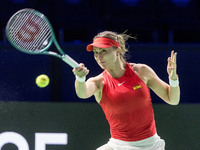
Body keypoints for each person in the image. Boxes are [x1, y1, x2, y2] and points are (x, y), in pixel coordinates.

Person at [72, 31, 180, 150]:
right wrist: (80, 78)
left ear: (118, 50)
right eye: (96, 53)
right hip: (116, 145)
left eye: (104, 51)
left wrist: (173, 79)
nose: (99, 57)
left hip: (150, 146)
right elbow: (82, 93)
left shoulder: (141, 71)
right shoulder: (99, 82)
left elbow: (172, 99)